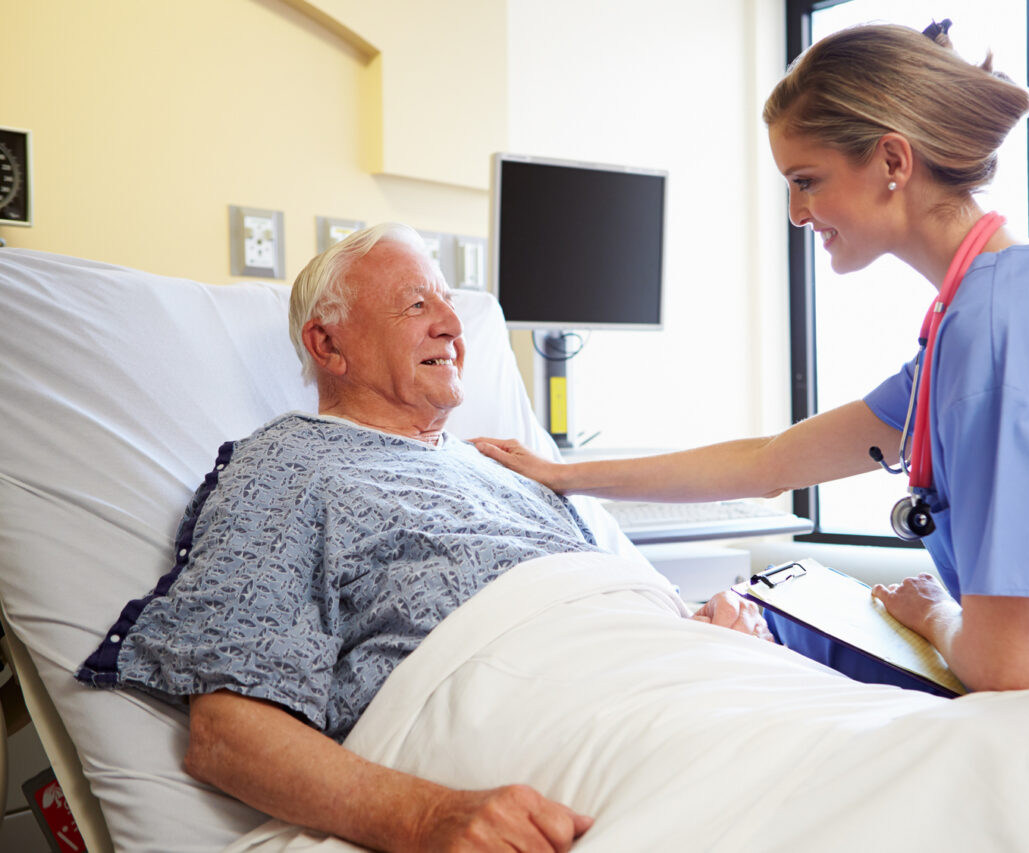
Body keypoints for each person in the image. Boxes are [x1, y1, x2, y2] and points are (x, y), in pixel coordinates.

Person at [474, 22, 1029, 792]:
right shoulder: (987, 312)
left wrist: (934, 614)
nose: (796, 214)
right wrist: (565, 474)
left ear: (893, 159)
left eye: (806, 180)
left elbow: (1005, 666)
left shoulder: (1008, 330)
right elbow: (772, 462)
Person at [76, 223, 770, 852]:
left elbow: (596, 603)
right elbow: (229, 734)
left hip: (686, 682)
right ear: (327, 344)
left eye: (449, 304)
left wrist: (694, 622)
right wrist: (422, 816)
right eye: (416, 306)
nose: (452, 326)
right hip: (547, 717)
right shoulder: (290, 466)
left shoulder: (506, 468)